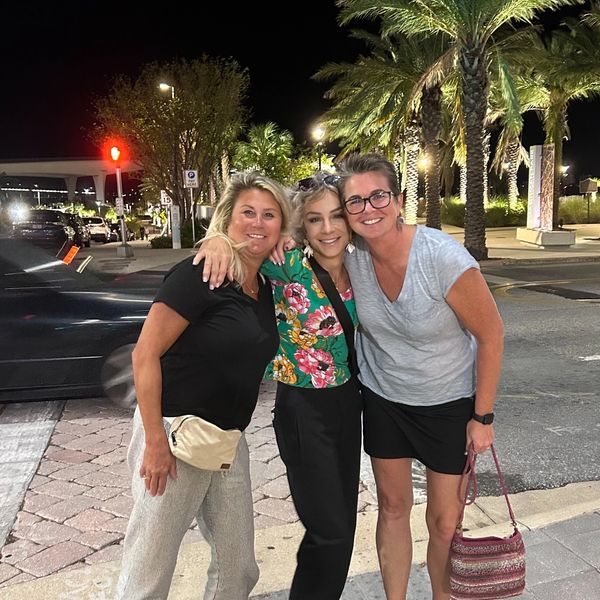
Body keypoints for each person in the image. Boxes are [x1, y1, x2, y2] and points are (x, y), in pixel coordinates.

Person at [336, 153, 504, 600]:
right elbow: (291, 229)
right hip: (384, 398)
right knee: (392, 507)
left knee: (444, 522)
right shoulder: (348, 259)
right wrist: (219, 240)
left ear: (399, 200)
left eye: (378, 196)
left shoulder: (442, 258)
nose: (368, 209)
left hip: (448, 402)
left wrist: (482, 418)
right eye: (355, 202)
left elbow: (491, 334)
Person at [115, 171, 291, 600]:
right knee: (149, 569)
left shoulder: (265, 285)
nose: (258, 223)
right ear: (227, 219)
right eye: (247, 212)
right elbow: (144, 355)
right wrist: (155, 441)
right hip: (175, 435)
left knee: (239, 569)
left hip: (229, 442)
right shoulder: (200, 275)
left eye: (270, 215)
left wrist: (289, 243)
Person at [195, 173, 363, 600]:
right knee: (331, 530)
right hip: (303, 409)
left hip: (349, 404)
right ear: (301, 228)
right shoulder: (287, 265)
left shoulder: (361, 266)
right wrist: (214, 239)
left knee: (342, 525)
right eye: (314, 220)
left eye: (336, 216)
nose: (328, 229)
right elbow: (240, 244)